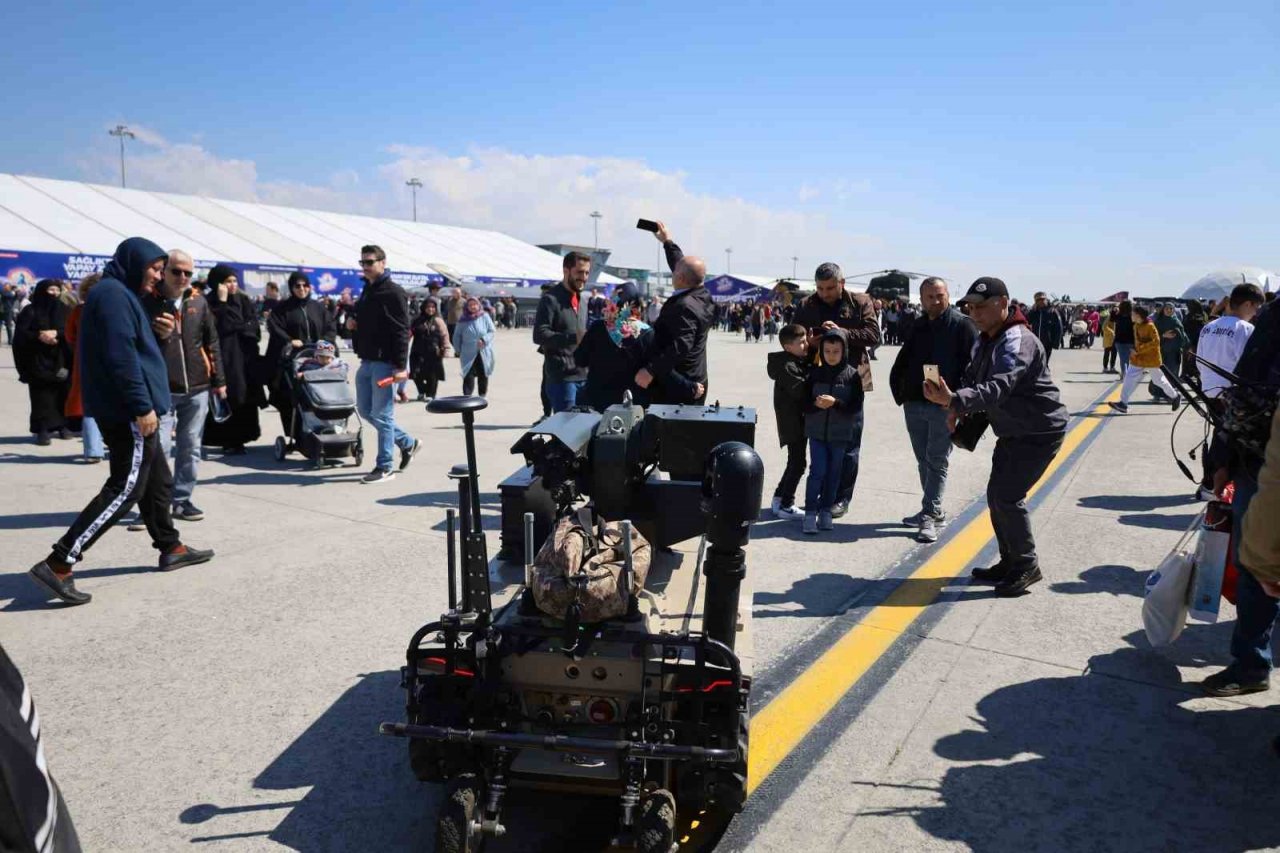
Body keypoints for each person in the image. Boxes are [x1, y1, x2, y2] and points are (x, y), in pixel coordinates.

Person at [27, 238, 213, 607]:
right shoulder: (112, 296)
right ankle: (60, 561)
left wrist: (158, 332)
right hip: (129, 411)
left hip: (132, 407)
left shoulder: (122, 295)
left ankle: (170, 545)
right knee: (125, 488)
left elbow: (138, 350)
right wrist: (142, 407)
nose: (160, 277)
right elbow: (121, 357)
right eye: (157, 269)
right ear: (134, 263)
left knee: (157, 479)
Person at [922, 277, 1068, 597]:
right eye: (971, 307)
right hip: (1013, 430)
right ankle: (1010, 561)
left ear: (1003, 304)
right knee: (996, 496)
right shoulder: (986, 337)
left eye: (982, 307)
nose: (974, 313)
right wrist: (956, 404)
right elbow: (974, 376)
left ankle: (1027, 566)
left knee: (1007, 497)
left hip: (1039, 430)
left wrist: (954, 401)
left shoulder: (1017, 340)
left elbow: (1001, 385)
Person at [1201, 299, 1277, 698]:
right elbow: (1244, 394)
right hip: (1258, 462)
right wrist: (1223, 456)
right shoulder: (1271, 317)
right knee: (1251, 562)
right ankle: (1251, 663)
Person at [140, 250, 227, 522]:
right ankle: (155, 506)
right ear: (164, 271)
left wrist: (219, 382)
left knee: (191, 446)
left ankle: (182, 500)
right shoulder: (146, 302)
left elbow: (211, 342)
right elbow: (136, 345)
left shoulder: (198, 302)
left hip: (198, 387)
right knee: (159, 448)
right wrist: (158, 335)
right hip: (161, 388)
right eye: (176, 271)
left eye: (188, 273)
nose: (182, 277)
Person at [889, 277, 978, 543]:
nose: (936, 301)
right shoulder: (918, 325)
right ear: (922, 299)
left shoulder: (963, 325)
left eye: (940, 296)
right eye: (930, 297)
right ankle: (932, 508)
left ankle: (930, 514)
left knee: (937, 459)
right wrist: (901, 390)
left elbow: (973, 366)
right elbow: (905, 358)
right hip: (915, 402)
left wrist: (958, 402)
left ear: (948, 296)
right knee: (923, 459)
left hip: (944, 405)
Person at [791, 262, 881, 518]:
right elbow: (792, 335)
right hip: (817, 381)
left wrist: (841, 333)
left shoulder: (860, 302)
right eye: (820, 288)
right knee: (819, 441)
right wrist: (809, 341)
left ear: (841, 283)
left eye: (830, 288)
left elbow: (873, 335)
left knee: (849, 445)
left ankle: (841, 497)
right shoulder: (807, 305)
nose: (825, 293)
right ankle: (820, 494)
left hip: (851, 382)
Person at [349, 244, 419, 483]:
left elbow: (402, 331)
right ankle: (407, 443)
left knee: (383, 415)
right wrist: (352, 322)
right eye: (363, 263)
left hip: (385, 363)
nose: (366, 267)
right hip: (367, 360)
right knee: (366, 410)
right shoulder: (368, 290)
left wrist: (400, 367)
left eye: (370, 262)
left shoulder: (393, 292)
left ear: (383, 262)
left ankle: (385, 466)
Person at [1194, 283, 1264, 499]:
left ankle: (1210, 481)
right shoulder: (1246, 329)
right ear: (1246, 304)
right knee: (1230, 440)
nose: (1256, 314)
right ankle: (1212, 483)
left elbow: (1199, 359)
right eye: (1256, 308)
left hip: (1209, 390)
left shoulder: (1209, 326)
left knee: (1220, 433)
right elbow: (1250, 365)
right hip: (1232, 393)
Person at [637, 223, 715, 404]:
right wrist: (667, 241)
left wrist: (651, 370)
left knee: (676, 431)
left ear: (680, 278)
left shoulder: (685, 307)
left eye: (675, 273)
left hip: (683, 385)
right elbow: (683, 266)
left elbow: (681, 346)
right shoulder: (703, 295)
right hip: (697, 376)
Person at [802, 331, 860, 534]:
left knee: (834, 474)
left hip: (840, 435)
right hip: (817, 434)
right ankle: (810, 512)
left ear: (844, 351)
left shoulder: (852, 375)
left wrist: (835, 403)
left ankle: (826, 510)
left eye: (836, 351)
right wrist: (816, 405)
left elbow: (855, 406)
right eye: (827, 351)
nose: (831, 355)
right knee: (817, 472)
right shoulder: (814, 374)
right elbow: (803, 404)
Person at [202, 265, 262, 454]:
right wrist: (222, 303)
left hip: (244, 356)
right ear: (218, 283)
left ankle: (242, 437)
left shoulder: (243, 300)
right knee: (228, 396)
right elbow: (217, 329)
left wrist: (240, 327)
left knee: (244, 396)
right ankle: (228, 440)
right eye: (228, 281)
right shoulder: (209, 302)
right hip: (224, 357)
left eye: (234, 281)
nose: (232, 285)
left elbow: (253, 327)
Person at [266, 271, 336, 432]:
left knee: (319, 395)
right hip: (293, 361)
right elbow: (275, 327)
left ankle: (321, 430)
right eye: (297, 286)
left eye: (305, 285)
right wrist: (290, 340)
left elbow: (330, 327)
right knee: (291, 398)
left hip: (319, 360)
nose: (302, 289)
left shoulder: (318, 308)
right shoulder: (282, 309)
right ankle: (295, 434)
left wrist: (325, 342)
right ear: (291, 288)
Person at [14, 279, 72, 446]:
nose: (54, 293)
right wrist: (39, 336)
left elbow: (71, 331)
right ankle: (42, 429)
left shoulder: (66, 310)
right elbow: (21, 336)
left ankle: (63, 426)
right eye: (50, 290)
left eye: (57, 290)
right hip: (37, 361)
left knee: (63, 391)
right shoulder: (29, 311)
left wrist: (57, 334)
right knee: (41, 396)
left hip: (62, 360)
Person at [534, 252, 590, 412]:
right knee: (567, 431)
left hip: (584, 376)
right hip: (563, 378)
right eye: (579, 272)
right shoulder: (550, 299)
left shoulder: (583, 300)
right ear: (566, 270)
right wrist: (573, 338)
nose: (584, 277)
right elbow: (539, 334)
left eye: (586, 272)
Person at [767, 323, 810, 520]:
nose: (806, 344)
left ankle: (778, 497)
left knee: (794, 461)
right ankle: (786, 504)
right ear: (788, 347)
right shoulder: (788, 366)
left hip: (793, 420)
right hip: (793, 421)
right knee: (799, 463)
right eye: (801, 343)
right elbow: (802, 391)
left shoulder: (791, 360)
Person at [1107, 305, 1180, 413]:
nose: (1131, 315)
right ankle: (1123, 403)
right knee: (1129, 378)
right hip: (1139, 358)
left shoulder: (1150, 326)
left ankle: (1175, 396)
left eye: (1133, 314)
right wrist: (1134, 349)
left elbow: (1156, 341)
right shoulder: (1136, 325)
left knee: (1158, 380)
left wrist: (1139, 349)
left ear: (1138, 315)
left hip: (1151, 358)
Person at [65, 274, 104, 462]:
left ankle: (93, 450)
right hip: (113, 362)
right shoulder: (114, 309)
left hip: (85, 361)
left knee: (89, 407)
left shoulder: (80, 310)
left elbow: (70, 336)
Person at [453, 296, 496, 397]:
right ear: (467, 307)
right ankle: (467, 396)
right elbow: (456, 336)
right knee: (468, 373)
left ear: (479, 305)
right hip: (467, 352)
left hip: (483, 350)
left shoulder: (484, 316)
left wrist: (484, 339)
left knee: (483, 372)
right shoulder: (462, 320)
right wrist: (458, 350)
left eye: (475, 304)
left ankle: (482, 395)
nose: (473, 307)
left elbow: (492, 331)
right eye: (470, 305)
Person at [409, 298, 450, 401]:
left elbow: (445, 335)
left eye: (433, 307)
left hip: (434, 351)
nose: (430, 309)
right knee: (415, 373)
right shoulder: (416, 320)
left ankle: (431, 394)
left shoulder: (438, 320)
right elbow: (409, 333)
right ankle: (422, 391)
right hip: (418, 351)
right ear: (423, 308)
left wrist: (446, 348)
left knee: (433, 375)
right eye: (428, 307)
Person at [1151, 302, 1188, 400]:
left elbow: (1183, 336)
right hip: (1161, 352)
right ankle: (1157, 394)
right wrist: (1163, 335)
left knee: (1172, 374)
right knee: (1159, 374)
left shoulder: (1176, 321)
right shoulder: (1158, 322)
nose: (1169, 310)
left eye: (1171, 309)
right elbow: (1152, 336)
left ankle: (1170, 395)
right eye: (1167, 308)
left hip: (1174, 352)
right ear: (1163, 310)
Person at [1026, 292, 1064, 364]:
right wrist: (1032, 311)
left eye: (1043, 299)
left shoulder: (1052, 312)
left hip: (1047, 343)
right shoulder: (1034, 312)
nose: (1041, 302)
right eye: (1038, 300)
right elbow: (1026, 321)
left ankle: (1044, 373)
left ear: (1046, 300)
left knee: (1044, 363)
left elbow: (1059, 328)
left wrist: (1056, 343)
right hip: (1035, 343)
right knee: (1035, 363)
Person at [1113, 299, 1135, 373]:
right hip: (1130, 341)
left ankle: (1125, 374)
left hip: (1120, 341)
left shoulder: (1118, 315)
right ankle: (1126, 374)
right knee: (1129, 359)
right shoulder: (1132, 316)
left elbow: (1112, 319)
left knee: (1123, 359)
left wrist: (1114, 310)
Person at [1100, 308, 1118, 373]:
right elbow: (1104, 326)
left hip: (1115, 339)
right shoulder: (1109, 318)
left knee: (1114, 354)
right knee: (1107, 354)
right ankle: (1105, 368)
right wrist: (1112, 332)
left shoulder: (1117, 319)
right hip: (1108, 338)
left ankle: (1112, 367)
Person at [0, 281, 16, 345]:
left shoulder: (10, 293)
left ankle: (10, 341)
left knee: (8, 327)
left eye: (6, 286)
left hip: (7, 312)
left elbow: (5, 294)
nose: (5, 287)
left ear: (9, 287)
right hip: (1, 311)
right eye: (4, 286)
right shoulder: (2, 292)